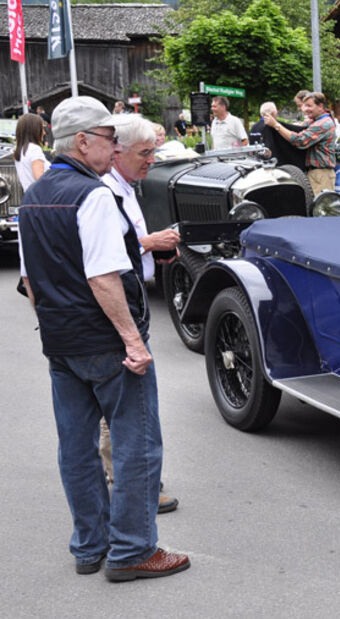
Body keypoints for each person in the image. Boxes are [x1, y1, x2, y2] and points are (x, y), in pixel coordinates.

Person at [17, 95, 190, 580]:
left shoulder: (33, 197)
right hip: (105, 343)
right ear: (84, 141)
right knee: (137, 444)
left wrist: (50, 326)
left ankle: (89, 546)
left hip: (62, 342)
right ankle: (133, 550)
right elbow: (103, 277)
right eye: (110, 138)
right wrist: (133, 342)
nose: (114, 147)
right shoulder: (92, 195)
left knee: (76, 446)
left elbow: (31, 280)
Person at [99, 116, 181, 515]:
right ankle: (132, 486)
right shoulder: (105, 190)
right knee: (128, 401)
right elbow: (107, 252)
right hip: (120, 302)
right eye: (145, 153)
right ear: (118, 152)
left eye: (154, 151)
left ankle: (130, 480)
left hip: (134, 295)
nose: (152, 160)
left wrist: (153, 249)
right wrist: (152, 241)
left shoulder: (125, 186)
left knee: (124, 401)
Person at [263, 91, 338, 194]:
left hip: (321, 175)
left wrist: (276, 125)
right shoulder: (314, 121)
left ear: (320, 106)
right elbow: (297, 127)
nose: (305, 109)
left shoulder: (323, 124)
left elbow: (299, 140)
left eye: (309, 106)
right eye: (304, 106)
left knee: (319, 208)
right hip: (314, 173)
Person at [13, 112, 50, 191]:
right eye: (42, 128)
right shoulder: (34, 149)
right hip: (42, 199)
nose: (44, 132)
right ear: (34, 130)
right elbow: (40, 180)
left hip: (30, 198)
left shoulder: (20, 150)